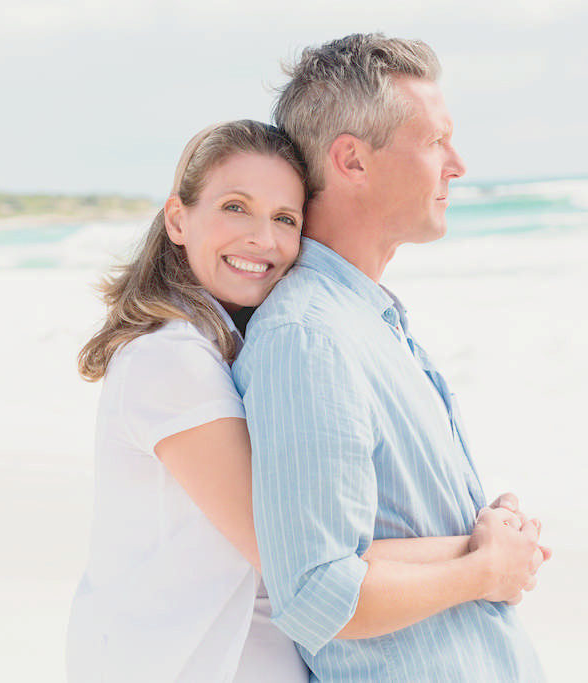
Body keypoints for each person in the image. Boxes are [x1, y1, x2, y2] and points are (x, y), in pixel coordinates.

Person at [66, 119, 543, 682]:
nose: (262, 239)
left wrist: (490, 537)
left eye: (284, 219)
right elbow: (303, 561)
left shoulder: (229, 348)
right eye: (236, 207)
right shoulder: (169, 360)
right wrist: (485, 558)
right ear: (177, 219)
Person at [233, 34, 549, 681]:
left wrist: (487, 534)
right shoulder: (308, 339)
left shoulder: (367, 321)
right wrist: (486, 568)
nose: (457, 164)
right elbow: (316, 591)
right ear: (352, 160)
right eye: (435, 141)